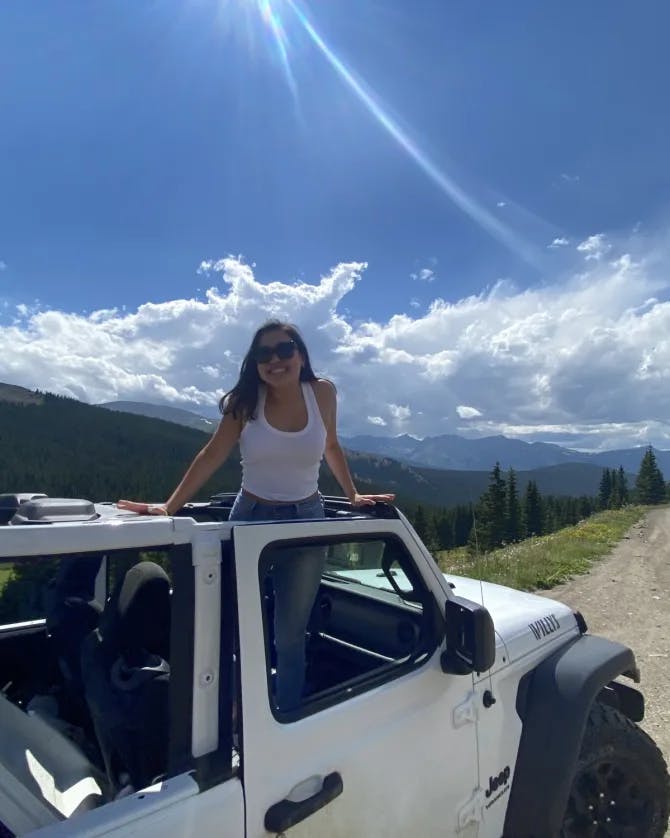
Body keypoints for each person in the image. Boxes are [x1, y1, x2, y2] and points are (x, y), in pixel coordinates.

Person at [118, 320, 394, 709]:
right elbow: (212, 454)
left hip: (307, 521)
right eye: (264, 354)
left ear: (300, 353)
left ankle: (284, 713)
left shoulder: (323, 393)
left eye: (284, 350)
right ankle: (226, 713)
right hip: (249, 518)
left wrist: (352, 494)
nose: (275, 360)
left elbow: (331, 444)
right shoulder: (246, 402)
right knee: (226, 623)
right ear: (254, 362)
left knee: (290, 633)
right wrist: (169, 507)